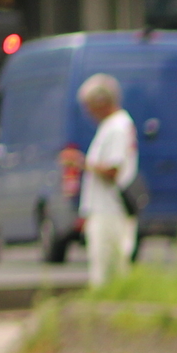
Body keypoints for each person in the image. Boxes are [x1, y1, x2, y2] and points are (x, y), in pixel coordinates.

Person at [61, 74, 138, 286]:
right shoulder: (113, 125)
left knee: (107, 270)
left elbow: (114, 170)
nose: (88, 112)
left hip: (110, 210)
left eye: (89, 106)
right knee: (106, 267)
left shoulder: (117, 127)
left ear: (101, 102)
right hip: (105, 209)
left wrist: (80, 163)